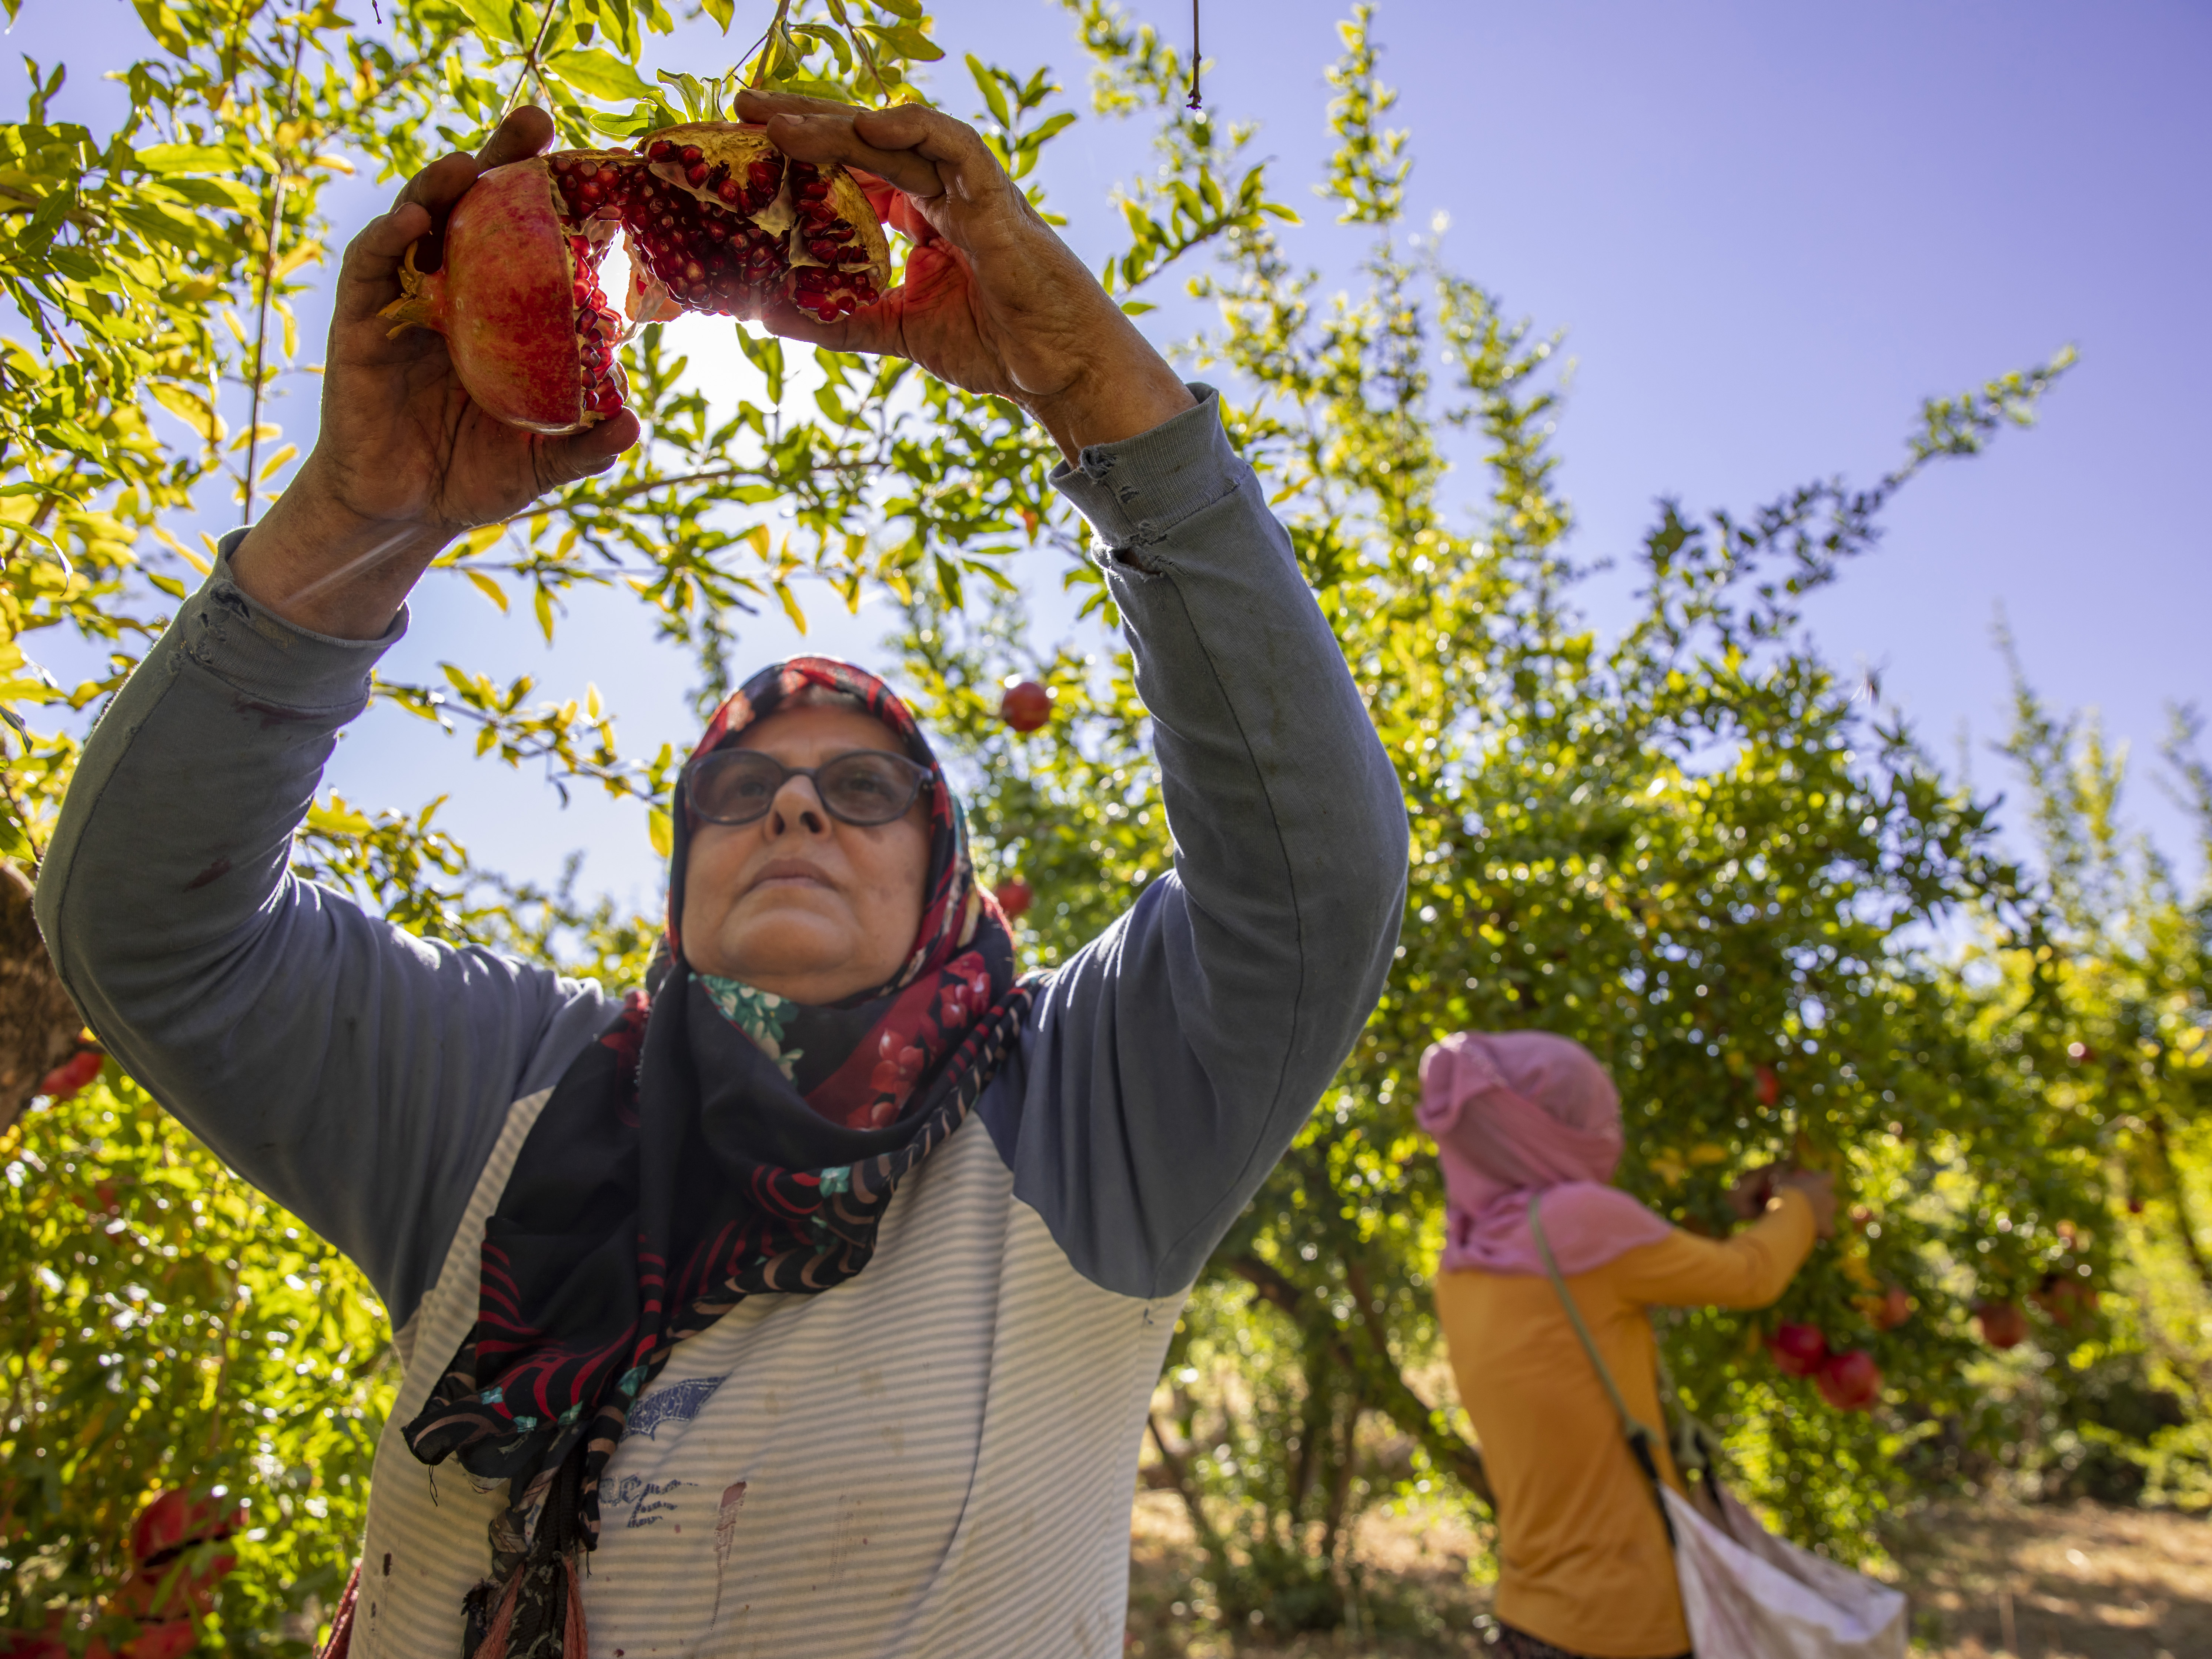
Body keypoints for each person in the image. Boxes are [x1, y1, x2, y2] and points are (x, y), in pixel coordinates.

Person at [33, 92, 1409, 1659]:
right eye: (739, 790)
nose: (794, 810)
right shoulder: (504, 1099)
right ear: (678, 892)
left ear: (950, 883)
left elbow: (1312, 881)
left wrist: (1083, 376)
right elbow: (144, 924)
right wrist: (361, 519)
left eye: (864, 787)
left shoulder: (1083, 1119)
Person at [1420, 1030, 1836, 1659]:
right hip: (1627, 1616)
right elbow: (1750, 1277)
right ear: (1548, 1125)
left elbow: (1608, 1279)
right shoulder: (1581, 1225)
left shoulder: (1463, 1261)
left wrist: (1728, 1210)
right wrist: (1802, 1207)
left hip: (1530, 1616)